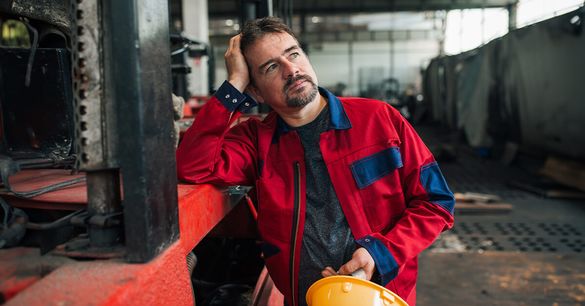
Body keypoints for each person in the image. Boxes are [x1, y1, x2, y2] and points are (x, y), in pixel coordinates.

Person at [176, 17, 454, 306]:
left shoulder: (379, 119)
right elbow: (193, 165)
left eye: (293, 54)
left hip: (382, 297)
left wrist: (379, 253)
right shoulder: (257, 142)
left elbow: (437, 202)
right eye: (271, 67)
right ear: (255, 91)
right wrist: (233, 84)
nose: (291, 70)